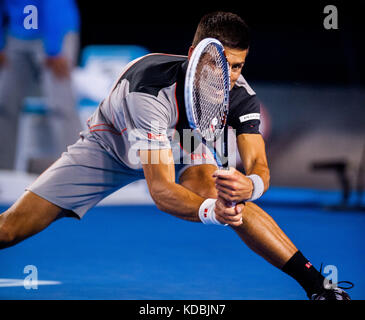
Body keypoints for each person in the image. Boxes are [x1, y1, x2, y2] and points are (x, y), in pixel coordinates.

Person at [0, 11, 352, 300]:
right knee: (10, 230)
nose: (229, 78)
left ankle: (319, 288)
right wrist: (210, 212)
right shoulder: (149, 90)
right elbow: (161, 191)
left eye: (238, 66)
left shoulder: (240, 95)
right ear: (195, 55)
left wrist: (251, 185)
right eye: (222, 64)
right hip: (108, 148)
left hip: (182, 143)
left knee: (233, 201)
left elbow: (259, 163)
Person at [0, 0, 82, 170]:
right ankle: (3, 171)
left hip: (55, 30)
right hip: (15, 35)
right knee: (4, 105)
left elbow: (54, 4)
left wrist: (54, 48)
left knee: (60, 105)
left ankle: (77, 169)